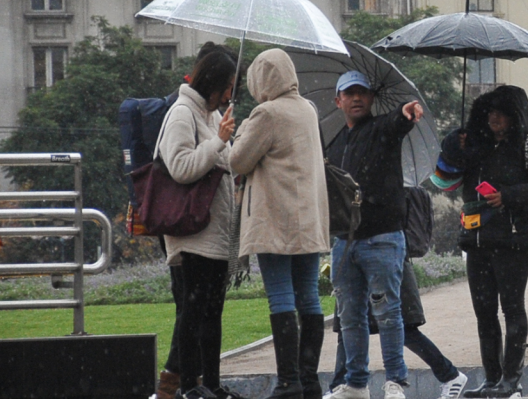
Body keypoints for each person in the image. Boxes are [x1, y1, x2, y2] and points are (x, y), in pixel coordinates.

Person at [437, 85, 528, 398]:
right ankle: (491, 379)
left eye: (501, 112)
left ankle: (510, 380)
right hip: (477, 240)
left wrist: (509, 196)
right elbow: (445, 176)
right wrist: (455, 144)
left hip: (515, 240)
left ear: (515, 116)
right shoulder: (476, 148)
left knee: (512, 309)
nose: (494, 117)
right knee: (484, 312)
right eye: (489, 111)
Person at [229, 48, 331, 399]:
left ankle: (288, 381)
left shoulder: (266, 113)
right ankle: (309, 379)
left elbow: (238, 161)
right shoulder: (307, 109)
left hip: (276, 218)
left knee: (280, 296)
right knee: (309, 296)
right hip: (309, 218)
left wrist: (240, 129)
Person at [325, 71, 423, 399]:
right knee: (350, 316)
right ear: (338, 100)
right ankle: (355, 384)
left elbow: (398, 122)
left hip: (382, 238)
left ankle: (395, 382)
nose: (356, 99)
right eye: (349, 93)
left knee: (387, 312)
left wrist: (405, 113)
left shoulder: (382, 128)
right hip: (345, 242)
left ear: (371, 98)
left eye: (362, 93)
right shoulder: (335, 144)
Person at [157, 50, 245, 399]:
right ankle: (189, 386)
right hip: (192, 234)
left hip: (215, 233)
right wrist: (219, 142)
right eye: (227, 87)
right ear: (211, 84)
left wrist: (228, 145)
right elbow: (180, 167)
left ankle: (211, 384)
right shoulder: (182, 114)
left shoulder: (212, 115)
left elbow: (222, 163)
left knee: (212, 313)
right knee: (192, 314)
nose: (229, 95)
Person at [326, 189, 468, 399]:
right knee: (350, 325)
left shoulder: (395, 185)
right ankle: (341, 384)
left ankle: (449, 375)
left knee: (402, 328)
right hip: (365, 256)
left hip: (390, 261)